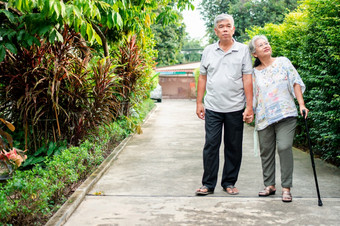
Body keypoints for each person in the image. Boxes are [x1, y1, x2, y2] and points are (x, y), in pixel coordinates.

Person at [195, 14, 253, 196]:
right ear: (216, 31)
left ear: (233, 29)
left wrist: (249, 106)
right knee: (211, 144)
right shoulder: (208, 51)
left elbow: (247, 78)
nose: (225, 29)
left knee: (233, 146)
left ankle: (229, 182)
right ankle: (208, 184)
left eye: (229, 26)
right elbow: (203, 77)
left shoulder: (243, 50)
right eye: (221, 26)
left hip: (236, 107)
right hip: (212, 107)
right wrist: (199, 102)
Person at [248, 35, 309, 202]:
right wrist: (249, 111)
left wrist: (301, 104)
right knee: (266, 152)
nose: (266, 46)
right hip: (264, 117)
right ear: (255, 54)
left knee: (284, 147)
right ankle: (269, 185)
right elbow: (252, 94)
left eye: (267, 43)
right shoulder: (253, 73)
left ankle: (286, 187)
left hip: (286, 114)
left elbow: (295, 82)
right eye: (261, 45)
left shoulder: (283, 62)